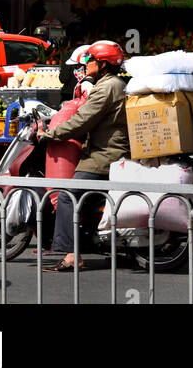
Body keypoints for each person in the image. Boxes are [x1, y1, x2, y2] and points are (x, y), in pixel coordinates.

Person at [40, 40, 129, 272]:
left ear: (103, 64)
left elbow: (83, 120)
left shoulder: (107, 87)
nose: (86, 63)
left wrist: (51, 134)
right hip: (107, 150)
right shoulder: (113, 84)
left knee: (68, 196)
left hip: (106, 155)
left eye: (90, 59)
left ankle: (72, 255)